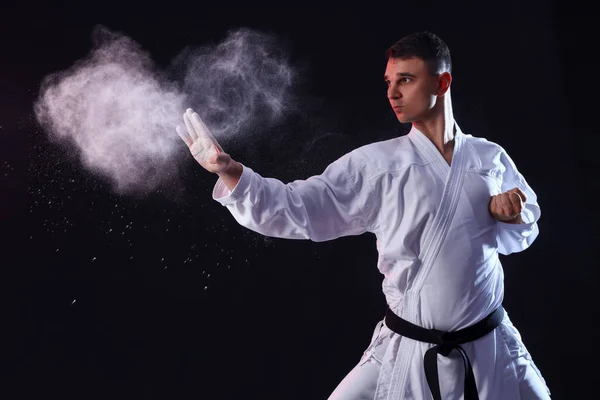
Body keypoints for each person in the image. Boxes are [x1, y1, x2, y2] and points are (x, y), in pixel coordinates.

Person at [176, 31, 551, 400]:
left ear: (442, 82)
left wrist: (513, 215)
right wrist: (230, 171)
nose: (392, 93)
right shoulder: (378, 165)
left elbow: (520, 233)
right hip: (408, 350)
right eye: (389, 82)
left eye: (406, 79)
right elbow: (301, 208)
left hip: (491, 348)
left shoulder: (489, 158)